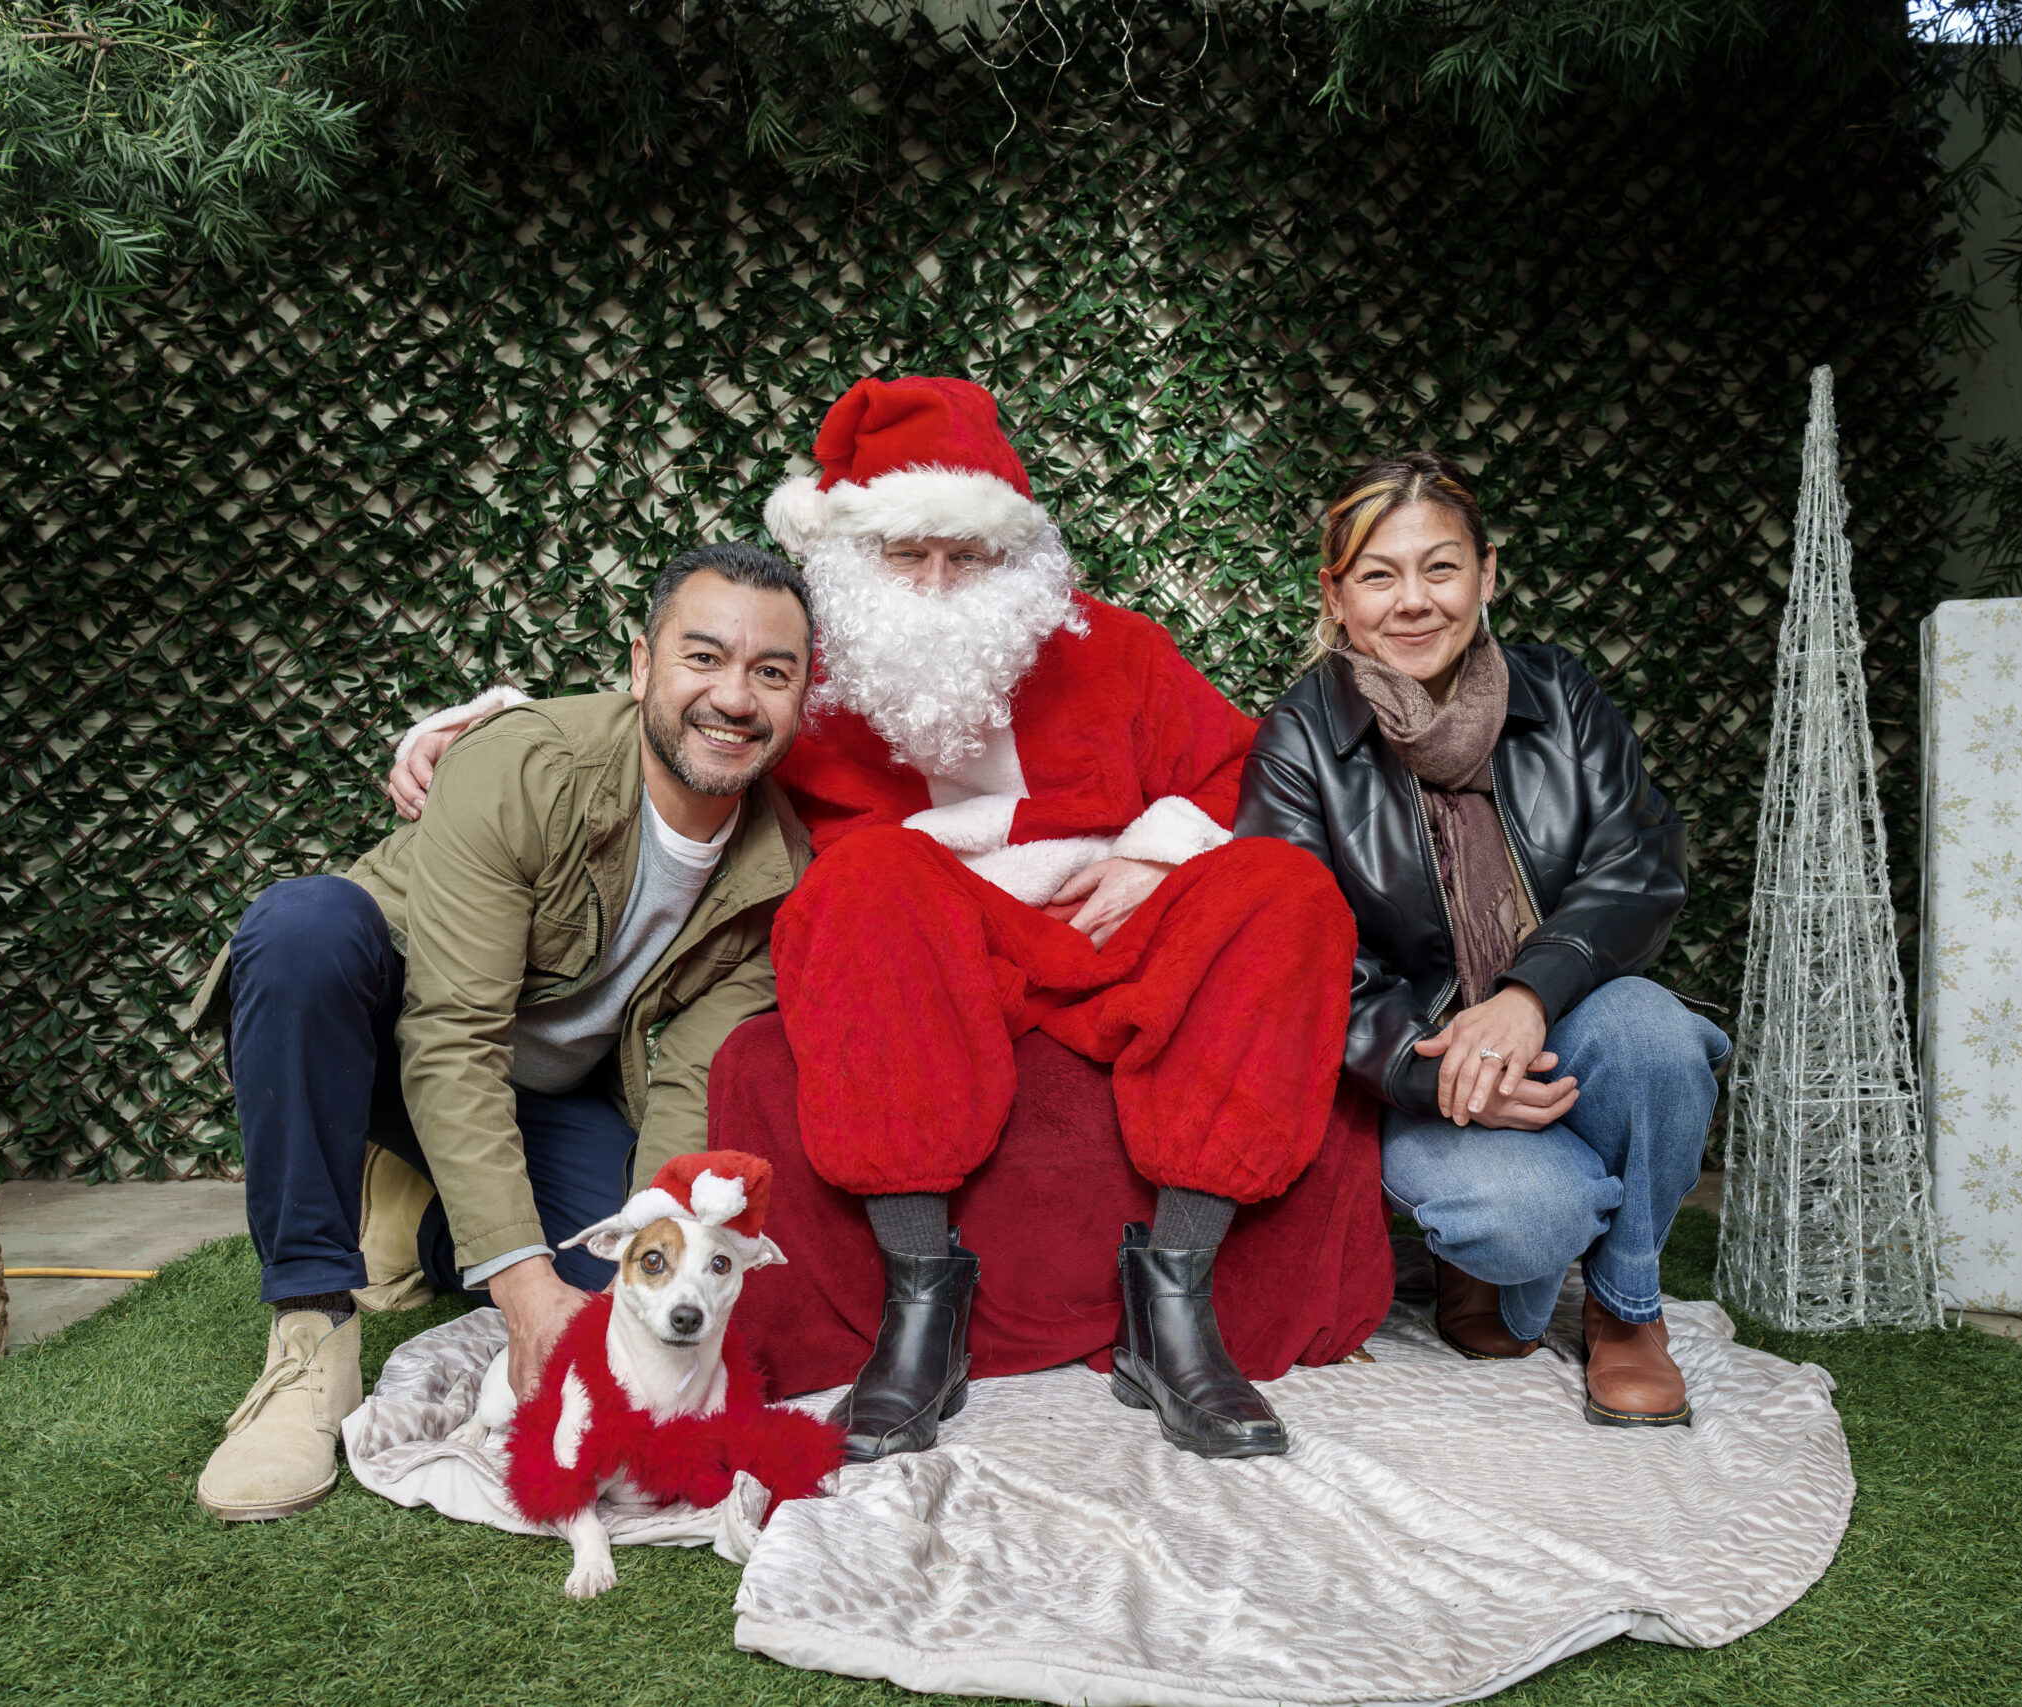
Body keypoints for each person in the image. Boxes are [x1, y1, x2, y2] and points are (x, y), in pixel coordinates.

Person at [397, 375, 1362, 1462]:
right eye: (908, 554)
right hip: (932, 963)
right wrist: (490, 728)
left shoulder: (1117, 649)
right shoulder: (799, 682)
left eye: (969, 555)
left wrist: (1155, 851)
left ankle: (1175, 1308)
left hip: (1114, 942)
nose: (939, 584)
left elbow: (1241, 768)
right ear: (853, 560)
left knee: (1286, 889)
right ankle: (921, 1309)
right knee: (862, 878)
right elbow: (681, 719)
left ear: (1017, 557)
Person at [185, 544, 814, 1522]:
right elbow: (450, 1035)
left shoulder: (779, 870)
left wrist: (652, 1259)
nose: (734, 697)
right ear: (640, 665)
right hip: (388, 1037)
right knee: (302, 928)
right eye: (703, 657)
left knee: (609, 1283)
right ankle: (310, 1333)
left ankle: (424, 1220)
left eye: (771, 672)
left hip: (551, 1095)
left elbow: (691, 1079)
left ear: (802, 697)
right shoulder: (526, 766)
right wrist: (520, 1290)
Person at [1235, 453, 1728, 1428]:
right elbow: (1294, 957)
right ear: (1335, 595)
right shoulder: (1299, 743)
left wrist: (1527, 995)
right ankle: (1497, 1247)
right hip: (1417, 1062)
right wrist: (1446, 1072)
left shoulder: (1561, 696)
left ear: (1487, 573)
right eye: (1379, 575)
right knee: (1527, 1219)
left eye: (1441, 567)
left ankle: (1626, 1307)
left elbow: (1638, 862)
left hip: (1565, 1021)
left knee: (1656, 1036)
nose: (1414, 601)